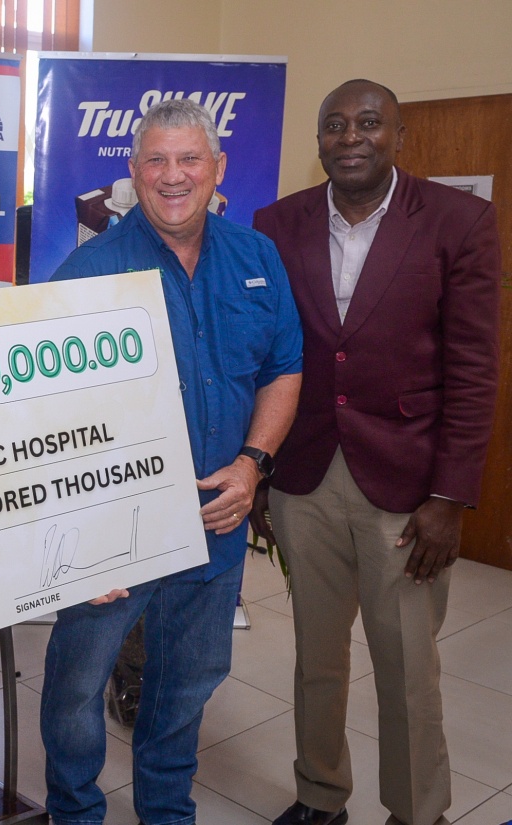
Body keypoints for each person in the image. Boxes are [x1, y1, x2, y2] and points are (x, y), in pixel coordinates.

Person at [42, 97, 303, 825]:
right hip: (111, 534)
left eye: (190, 158)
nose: (173, 175)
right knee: (75, 688)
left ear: (217, 169)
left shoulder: (257, 258)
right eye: (156, 160)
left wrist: (253, 464)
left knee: (187, 685)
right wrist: (79, 541)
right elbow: (48, 419)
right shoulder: (87, 273)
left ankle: (165, 808)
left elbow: (284, 367)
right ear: (133, 173)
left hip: (216, 522)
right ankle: (75, 810)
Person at [253, 79, 501, 825]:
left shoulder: (461, 221)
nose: (350, 137)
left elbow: (474, 366)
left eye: (369, 123)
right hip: (304, 477)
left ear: (400, 137)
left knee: (406, 668)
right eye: (335, 125)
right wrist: (261, 473)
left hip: (410, 488)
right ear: (319, 140)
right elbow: (264, 354)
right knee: (316, 657)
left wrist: (451, 498)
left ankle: (417, 810)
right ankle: (320, 796)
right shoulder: (277, 222)